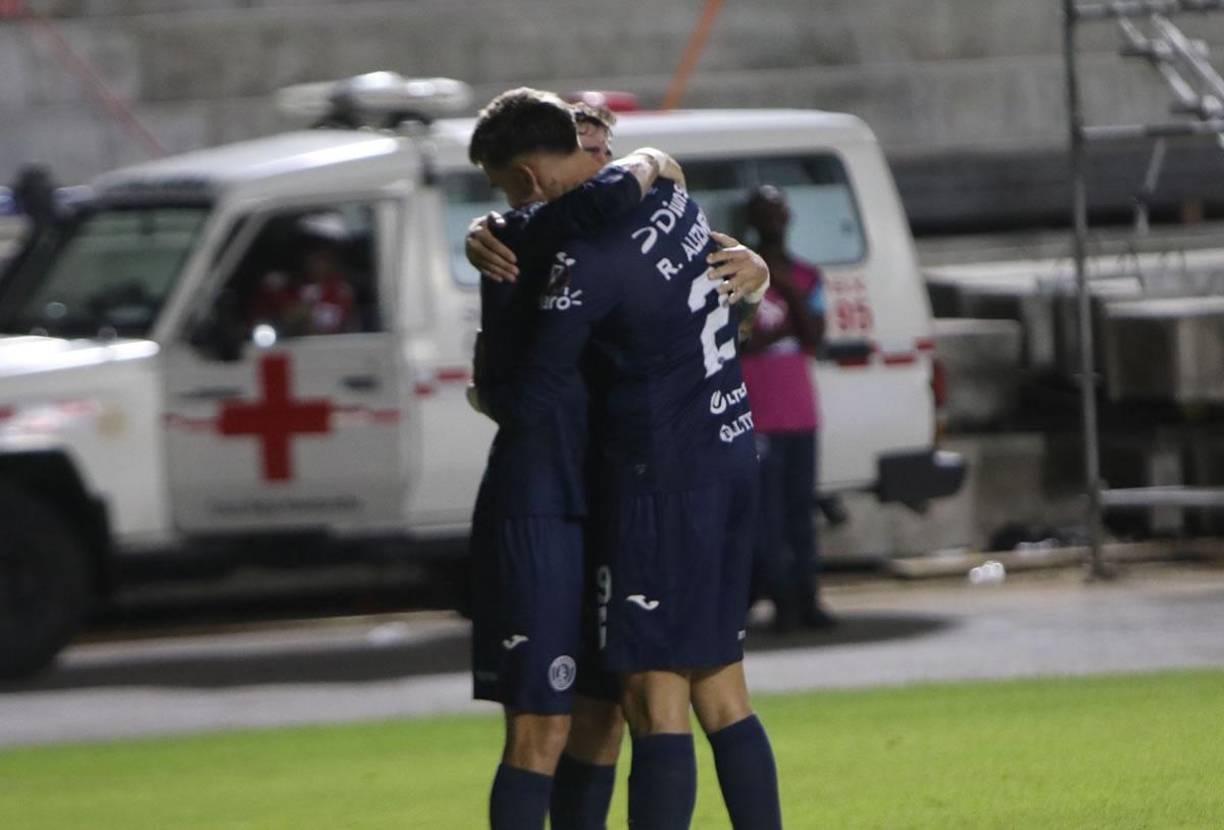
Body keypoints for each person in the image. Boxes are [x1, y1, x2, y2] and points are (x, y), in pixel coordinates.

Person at [472, 90, 781, 830]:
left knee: (653, 698)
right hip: (703, 460)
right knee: (685, 694)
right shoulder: (669, 198)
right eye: (591, 139)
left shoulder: (579, 251)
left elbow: (528, 395)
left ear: (529, 175)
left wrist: (491, 388)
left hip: (656, 481)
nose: (603, 151)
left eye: (606, 143)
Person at [740, 185, 835, 632]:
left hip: (799, 411)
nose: (774, 221)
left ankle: (808, 598)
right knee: (766, 516)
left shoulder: (806, 275)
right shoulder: (740, 274)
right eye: (765, 213)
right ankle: (781, 602)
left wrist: (786, 288)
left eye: (779, 212)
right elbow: (740, 340)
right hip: (755, 412)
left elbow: (814, 335)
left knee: (801, 512)